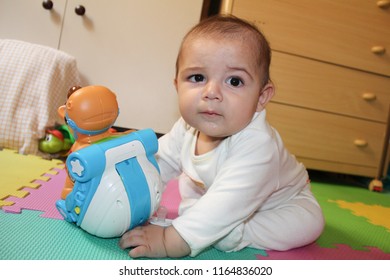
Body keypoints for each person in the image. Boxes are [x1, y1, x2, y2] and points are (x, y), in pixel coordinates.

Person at [119, 14, 325, 258]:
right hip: (222, 195)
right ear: (177, 85)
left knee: (308, 223)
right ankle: (216, 226)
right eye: (197, 78)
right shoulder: (186, 128)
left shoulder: (258, 145)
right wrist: (127, 196)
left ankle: (234, 231)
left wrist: (169, 239)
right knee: (198, 197)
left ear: (261, 97)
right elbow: (159, 163)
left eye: (234, 81)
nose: (211, 93)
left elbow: (225, 202)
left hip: (283, 203)